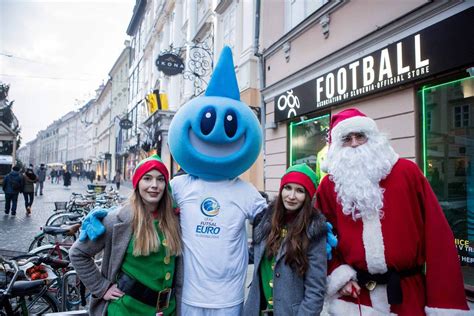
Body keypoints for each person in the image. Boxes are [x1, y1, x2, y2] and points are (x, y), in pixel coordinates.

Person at [315, 108, 470, 315]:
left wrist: (444, 301)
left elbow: (438, 237)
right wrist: (337, 275)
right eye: (346, 138)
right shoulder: (330, 185)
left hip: (408, 296)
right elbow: (317, 236)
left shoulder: (407, 172)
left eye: (360, 136)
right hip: (356, 299)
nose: (353, 143)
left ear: (373, 139)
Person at [69, 154, 182, 316]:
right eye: (147, 178)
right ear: (137, 183)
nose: (154, 185)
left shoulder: (173, 220)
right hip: (127, 310)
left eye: (161, 179)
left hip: (167, 310)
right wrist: (102, 287)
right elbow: (78, 253)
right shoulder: (117, 219)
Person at [244, 164, 327, 315]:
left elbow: (316, 290)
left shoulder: (314, 231)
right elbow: (251, 255)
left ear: (308, 196)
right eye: (287, 188)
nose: (291, 196)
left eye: (300, 191)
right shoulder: (265, 220)